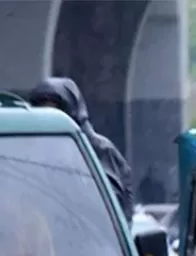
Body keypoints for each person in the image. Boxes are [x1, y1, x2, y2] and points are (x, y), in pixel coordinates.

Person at [27, 77, 134, 217]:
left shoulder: (99, 149)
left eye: (55, 111)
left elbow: (110, 206)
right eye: (43, 111)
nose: (49, 119)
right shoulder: (33, 152)